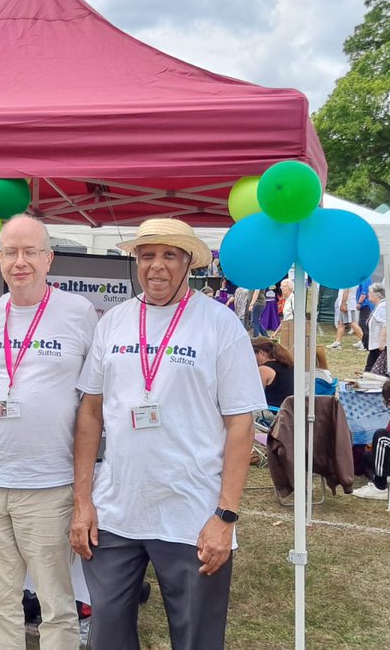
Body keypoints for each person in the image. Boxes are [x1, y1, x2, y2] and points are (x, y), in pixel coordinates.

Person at [70, 218, 266, 650]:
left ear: (190, 263)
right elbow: (90, 412)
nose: (156, 266)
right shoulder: (115, 322)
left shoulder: (220, 324)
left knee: (196, 637)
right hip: (116, 511)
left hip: (192, 514)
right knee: (107, 637)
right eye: (147, 255)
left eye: (169, 255)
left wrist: (225, 517)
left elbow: (240, 425)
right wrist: (82, 502)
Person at [0, 216, 98, 650]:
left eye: (29, 252)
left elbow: (93, 402)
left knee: (56, 605)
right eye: (9, 252)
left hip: (49, 485)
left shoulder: (79, 312)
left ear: (49, 258)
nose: (19, 262)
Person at [252, 337, 296, 409]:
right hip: (292, 411)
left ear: (261, 353)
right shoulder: (289, 365)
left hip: (275, 412)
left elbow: (255, 396)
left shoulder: (264, 369)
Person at [364, 283, 387, 373]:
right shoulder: (379, 306)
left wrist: (382, 342)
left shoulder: (382, 306)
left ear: (377, 295)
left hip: (379, 345)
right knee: (370, 367)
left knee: (370, 369)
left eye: (370, 292)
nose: (368, 294)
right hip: (375, 344)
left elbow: (385, 324)